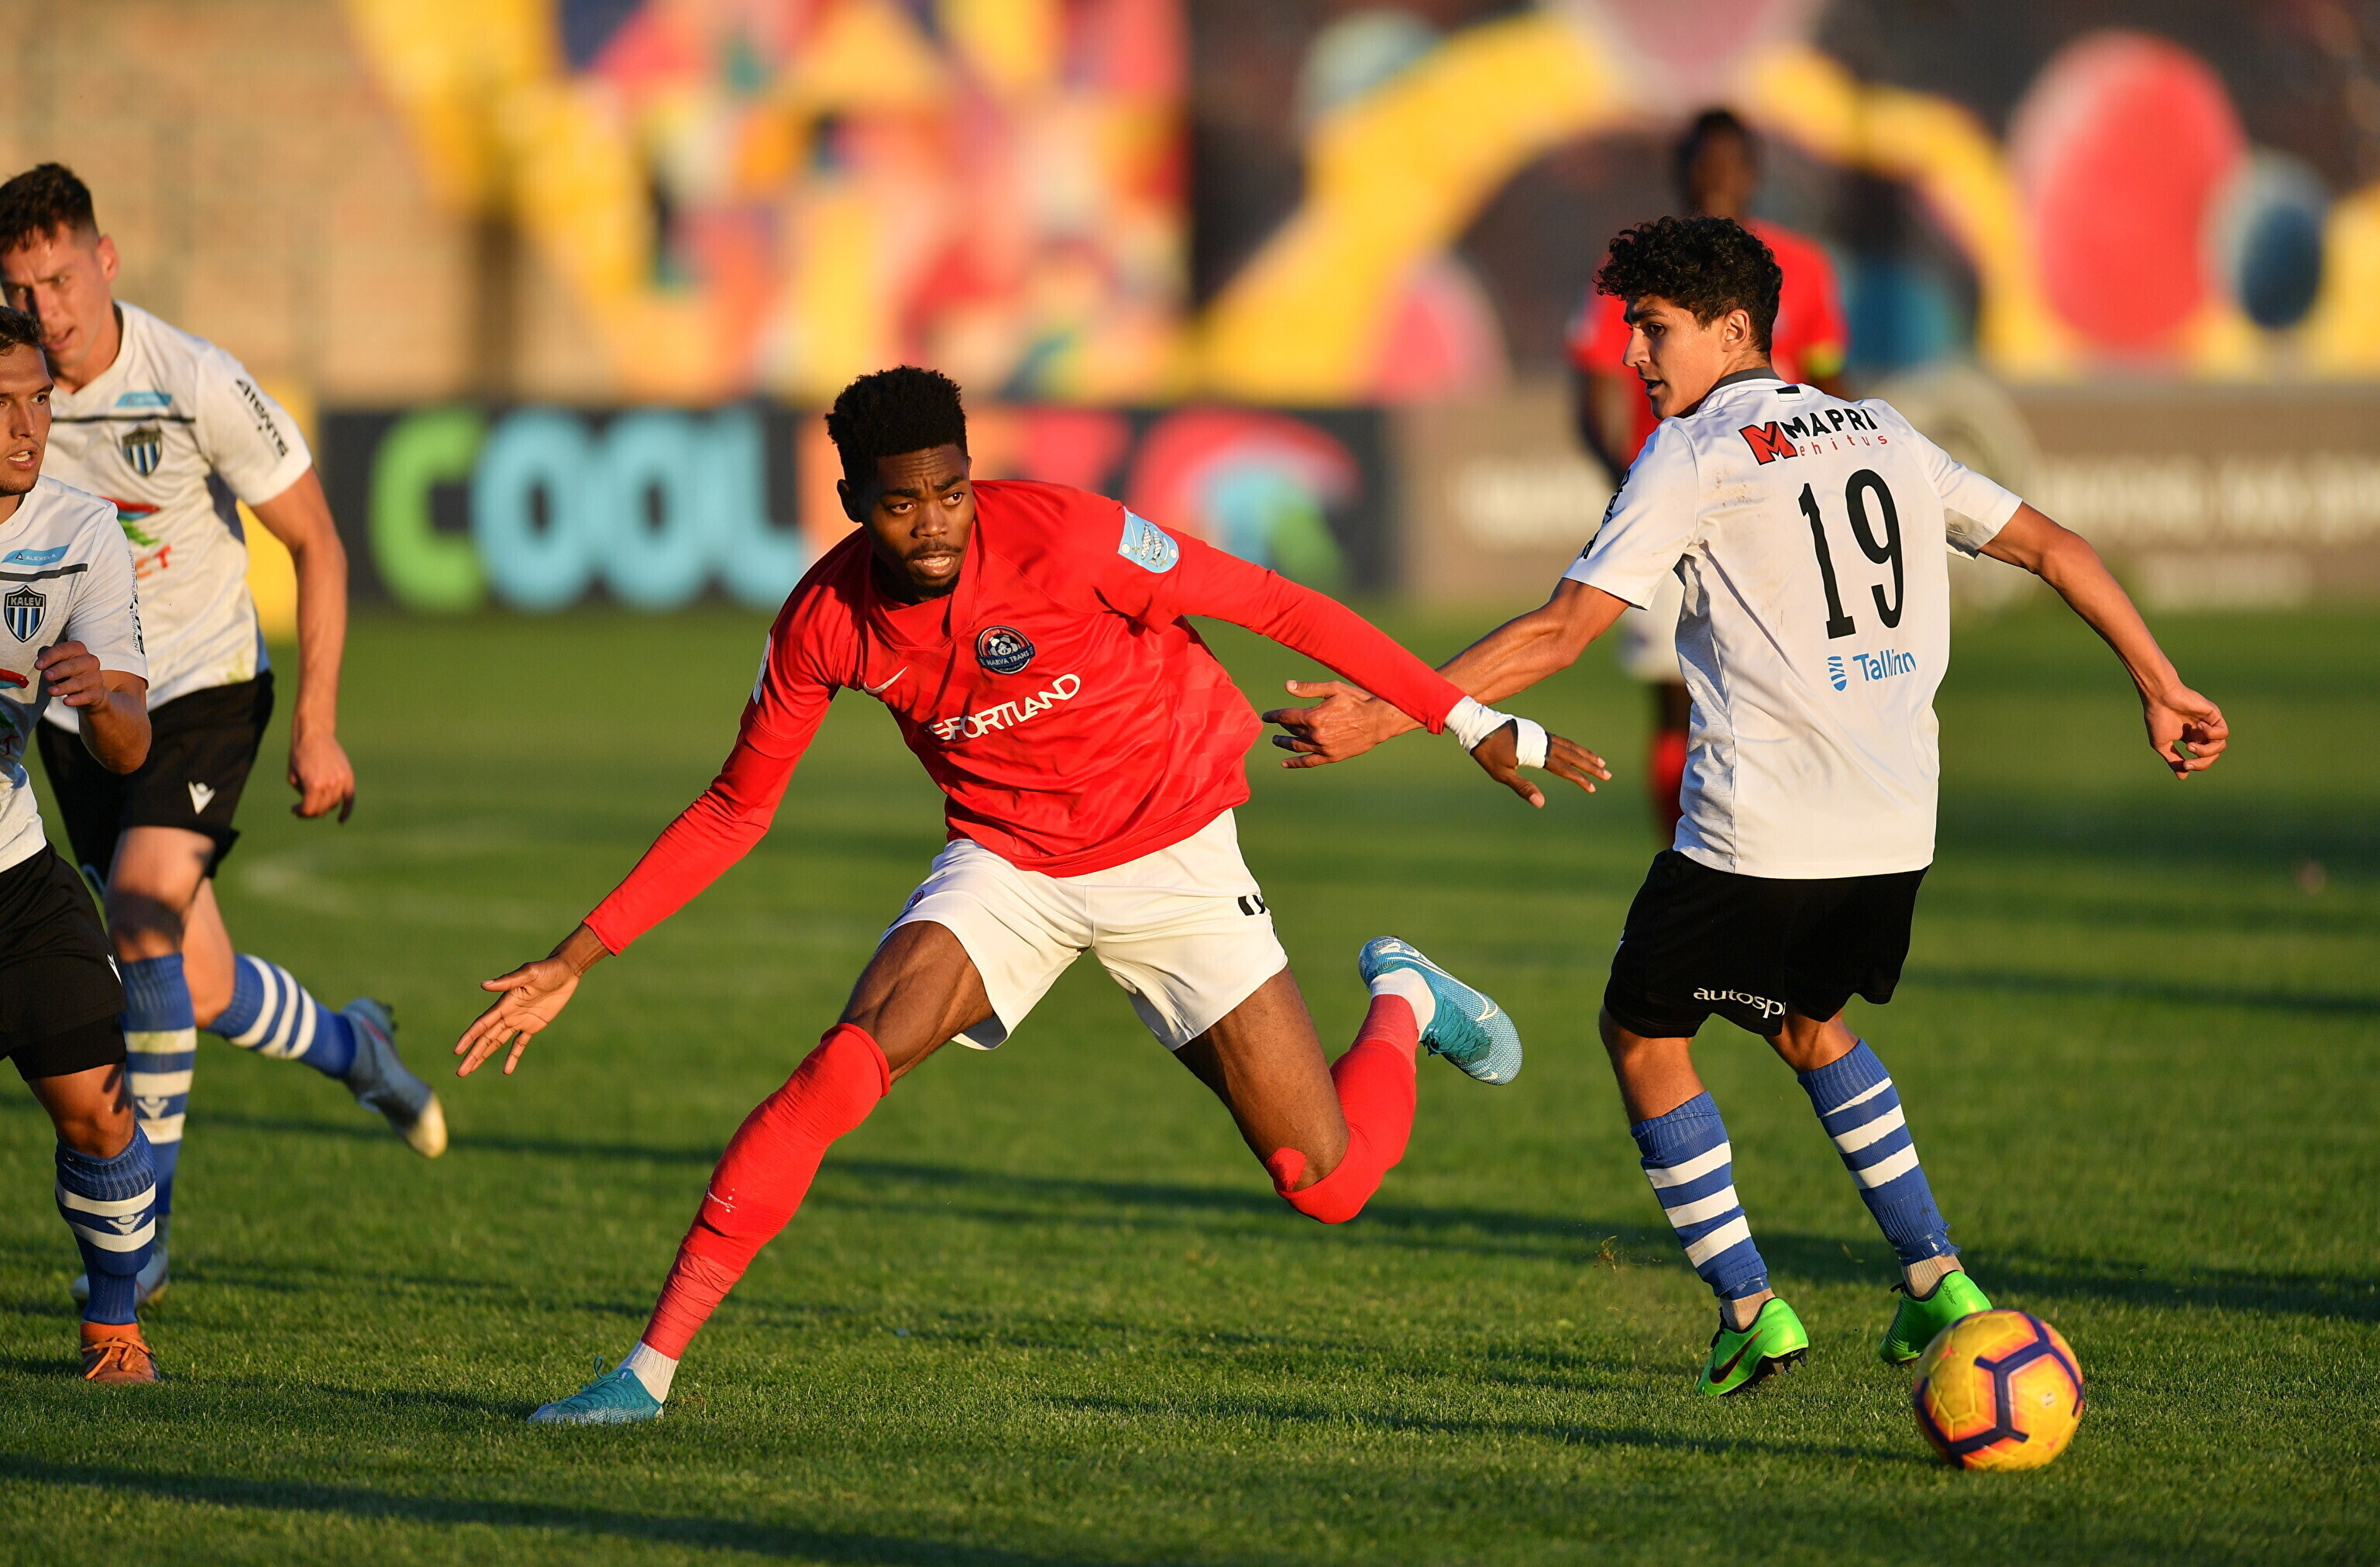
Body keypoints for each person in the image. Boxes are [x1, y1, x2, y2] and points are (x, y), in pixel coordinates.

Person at [454, 366, 1607, 1426]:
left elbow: (1278, 605)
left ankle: (1404, 998)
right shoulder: (822, 622)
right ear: (851, 502)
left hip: (1174, 848)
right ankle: (646, 1374)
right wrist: (578, 954)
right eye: (901, 503)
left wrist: (1464, 718)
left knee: (1329, 1183)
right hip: (1008, 865)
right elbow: (734, 808)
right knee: (842, 1065)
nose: (934, 524)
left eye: (951, 493)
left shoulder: (1071, 534)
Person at [1267, 216, 2227, 1396]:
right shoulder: (1884, 429)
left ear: (1734, 330)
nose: (1634, 356)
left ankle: (1748, 1307)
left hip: (1759, 833)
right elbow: (2057, 546)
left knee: (1641, 1032)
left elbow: (1562, 631)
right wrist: (2160, 683)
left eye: (1653, 329)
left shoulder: (1695, 452)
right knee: (1808, 1023)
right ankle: (1937, 1277)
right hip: (1894, 833)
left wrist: (1382, 712)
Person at [0, 164, 445, 1311]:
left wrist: (319, 727)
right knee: (191, 982)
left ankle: (141, 1237)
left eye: (61, 278)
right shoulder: (14, 395)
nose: (46, 309)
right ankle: (353, 1045)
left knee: (141, 926)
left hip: (200, 689)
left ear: (105, 260)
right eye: (21, 289)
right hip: (78, 713)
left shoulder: (191, 378)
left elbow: (319, 542)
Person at [1568, 110, 1848, 839]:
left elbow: (1829, 381)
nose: (1717, 179)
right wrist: (1638, 489)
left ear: (1754, 173)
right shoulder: (1635, 273)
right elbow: (1591, 399)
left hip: (1777, 510)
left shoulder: (1802, 267)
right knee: (1677, 699)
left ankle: (1779, 852)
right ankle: (1682, 855)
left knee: (1784, 692)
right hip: (1671, 502)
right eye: (1704, 164)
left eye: (1731, 164)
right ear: (1681, 171)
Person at [0, 305, 168, 1381]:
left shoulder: (81, 530)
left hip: (12, 878)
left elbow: (130, 744)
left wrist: (100, 694)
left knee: (103, 1118)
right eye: (1, 405)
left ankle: (114, 1325)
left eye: (39, 401)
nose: (27, 427)